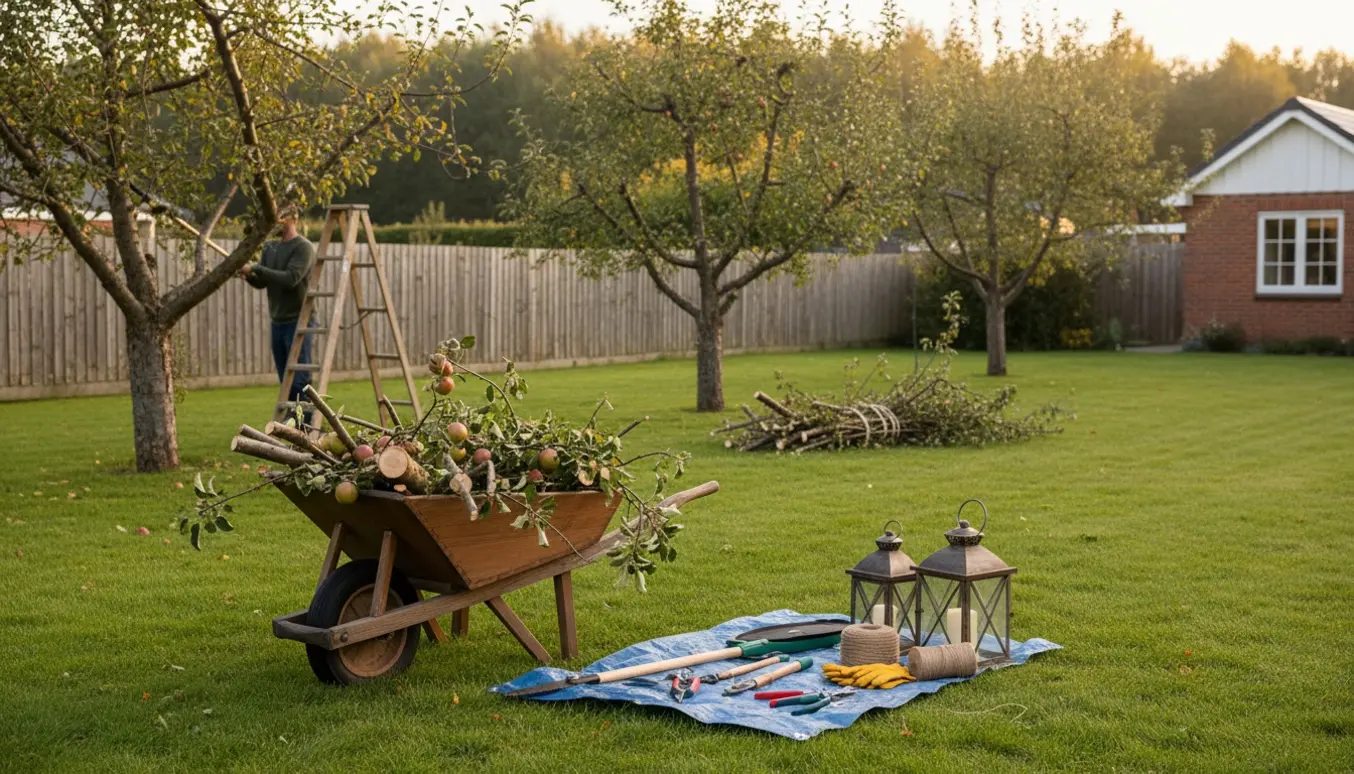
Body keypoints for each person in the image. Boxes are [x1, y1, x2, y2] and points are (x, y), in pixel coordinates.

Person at [242, 209, 317, 403]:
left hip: (299, 321)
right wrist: (248, 275)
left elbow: (291, 278)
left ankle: (305, 427)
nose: (273, 223)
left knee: (299, 380)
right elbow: (262, 281)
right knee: (285, 379)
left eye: (278, 218)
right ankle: (292, 426)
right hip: (278, 321)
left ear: (292, 219)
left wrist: (256, 268)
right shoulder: (270, 248)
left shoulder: (303, 247)